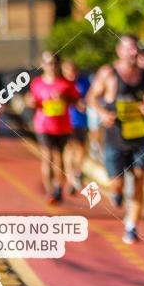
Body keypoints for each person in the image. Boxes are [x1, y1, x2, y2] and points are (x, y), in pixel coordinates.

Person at [87, 35, 144, 244]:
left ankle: (132, 226)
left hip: (139, 137)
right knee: (117, 184)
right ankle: (117, 193)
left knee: (139, 178)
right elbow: (91, 97)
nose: (133, 52)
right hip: (115, 138)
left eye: (135, 49)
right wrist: (103, 113)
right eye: (128, 49)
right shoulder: (108, 74)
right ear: (119, 51)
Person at [28, 51, 80, 203]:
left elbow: (76, 101)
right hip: (43, 126)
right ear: (43, 65)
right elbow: (33, 101)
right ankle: (49, 190)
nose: (51, 67)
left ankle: (58, 186)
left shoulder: (65, 83)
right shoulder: (37, 83)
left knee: (59, 158)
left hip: (62, 126)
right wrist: (31, 102)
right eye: (48, 63)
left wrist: (65, 99)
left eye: (54, 63)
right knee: (47, 157)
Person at [61, 60, 91, 193]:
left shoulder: (84, 82)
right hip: (65, 121)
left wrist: (84, 103)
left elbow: (92, 96)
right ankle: (70, 180)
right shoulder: (61, 83)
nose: (70, 74)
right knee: (68, 149)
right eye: (67, 71)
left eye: (73, 70)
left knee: (81, 149)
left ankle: (77, 171)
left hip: (81, 121)